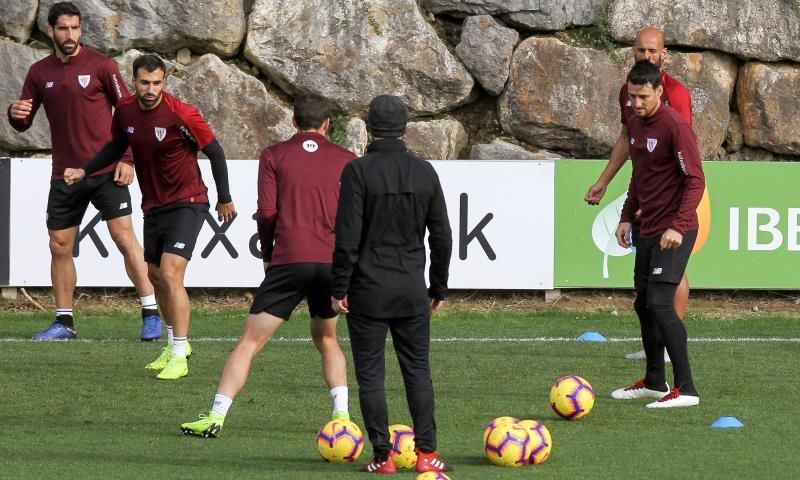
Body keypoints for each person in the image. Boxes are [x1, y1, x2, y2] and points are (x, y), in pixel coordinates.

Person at [180, 94, 356, 437]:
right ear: (327, 124)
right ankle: (342, 416)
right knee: (328, 339)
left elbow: (268, 212)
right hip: (331, 261)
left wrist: (268, 251)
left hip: (289, 260)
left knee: (249, 343)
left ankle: (216, 416)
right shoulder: (348, 159)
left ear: (293, 122)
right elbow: (353, 217)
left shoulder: (274, 155)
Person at [63, 54, 236, 380]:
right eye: (145, 82)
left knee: (170, 275)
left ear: (165, 82)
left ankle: (180, 353)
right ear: (135, 81)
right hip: (153, 205)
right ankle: (173, 345)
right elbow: (115, 147)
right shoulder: (125, 110)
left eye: (157, 82)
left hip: (189, 201)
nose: (151, 89)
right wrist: (85, 170)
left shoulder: (180, 113)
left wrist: (224, 198)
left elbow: (215, 151)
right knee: (156, 276)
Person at [7, 1, 161, 341]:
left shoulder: (102, 66)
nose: (71, 35)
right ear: (51, 31)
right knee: (59, 245)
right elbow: (23, 121)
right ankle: (64, 323)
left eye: (76, 28)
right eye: (64, 28)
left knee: (124, 239)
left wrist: (128, 158)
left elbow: (130, 114)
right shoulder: (39, 73)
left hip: (107, 170)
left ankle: (151, 313)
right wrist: (14, 113)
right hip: (65, 174)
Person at [330, 95, 453, 473]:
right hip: (411, 287)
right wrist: (438, 287)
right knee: (417, 370)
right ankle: (427, 454)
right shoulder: (425, 172)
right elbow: (443, 236)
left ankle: (383, 456)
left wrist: (339, 288)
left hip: (368, 289)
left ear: (368, 129)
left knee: (370, 374)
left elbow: (347, 238)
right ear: (405, 129)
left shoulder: (358, 171)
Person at [584, 26, 692, 362]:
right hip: (647, 191)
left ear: (664, 54)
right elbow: (627, 139)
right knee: (650, 279)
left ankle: (671, 342)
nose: (647, 56)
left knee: (673, 269)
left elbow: (683, 151)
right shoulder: (628, 91)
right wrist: (604, 181)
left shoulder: (677, 93)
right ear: (633, 51)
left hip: (675, 195)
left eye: (653, 51)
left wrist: (665, 201)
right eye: (641, 50)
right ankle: (656, 348)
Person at [611, 60, 704, 408]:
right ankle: (654, 381)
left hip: (675, 231)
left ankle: (687, 388)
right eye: (632, 96)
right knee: (643, 304)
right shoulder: (634, 122)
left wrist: (678, 226)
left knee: (662, 304)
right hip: (646, 228)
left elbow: (696, 180)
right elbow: (639, 175)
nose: (635, 103)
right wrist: (624, 218)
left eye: (642, 96)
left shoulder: (675, 127)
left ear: (659, 92)